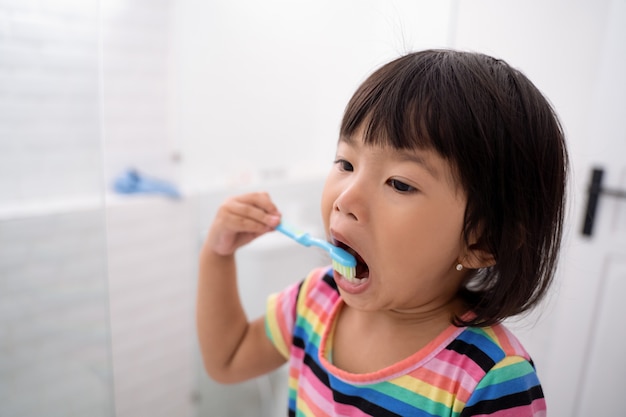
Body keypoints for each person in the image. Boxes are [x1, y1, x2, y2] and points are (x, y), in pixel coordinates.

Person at [197, 49, 568, 416]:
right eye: (346, 163)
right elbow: (227, 361)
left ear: (482, 241)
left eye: (400, 184)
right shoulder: (314, 301)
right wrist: (217, 254)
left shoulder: (491, 379)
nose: (346, 198)